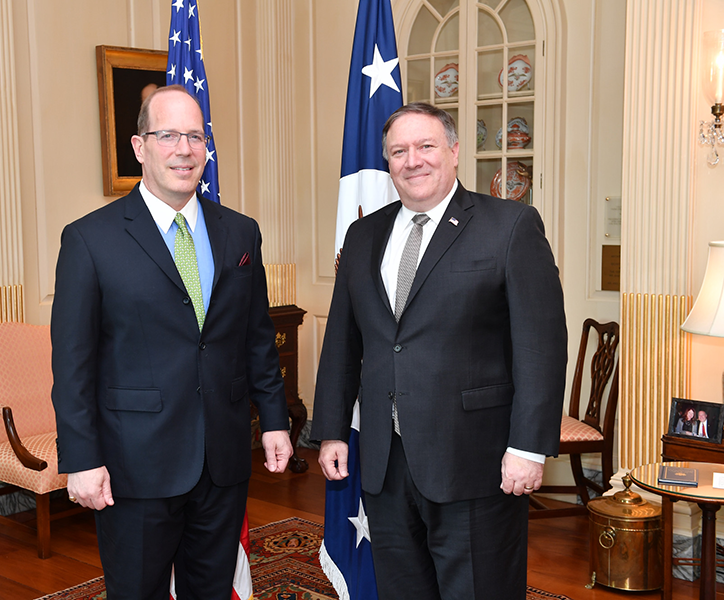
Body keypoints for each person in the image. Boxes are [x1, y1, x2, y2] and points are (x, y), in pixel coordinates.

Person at [311, 102, 567, 600]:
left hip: (476, 460)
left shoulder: (510, 227)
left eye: (426, 146)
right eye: (399, 151)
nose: (413, 161)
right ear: (387, 162)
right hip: (386, 461)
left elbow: (541, 347)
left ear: (453, 151)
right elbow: (343, 342)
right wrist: (331, 432)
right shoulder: (363, 236)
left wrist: (528, 448)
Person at [51, 84, 293, 600]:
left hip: (223, 459)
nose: (184, 149)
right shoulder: (90, 239)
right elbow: (73, 364)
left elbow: (255, 338)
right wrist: (80, 458)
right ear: (140, 147)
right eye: (168, 136)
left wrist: (273, 419)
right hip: (133, 466)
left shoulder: (240, 233)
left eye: (195, 136)